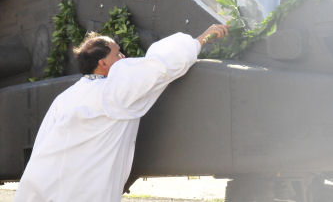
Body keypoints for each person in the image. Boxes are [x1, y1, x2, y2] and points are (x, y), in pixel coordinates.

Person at [14, 24, 229, 202]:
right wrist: (201, 39)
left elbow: (42, 153)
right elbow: (160, 66)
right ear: (103, 63)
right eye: (118, 53)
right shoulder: (114, 91)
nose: (124, 57)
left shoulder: (65, 99)